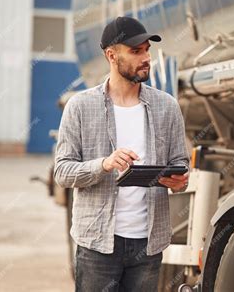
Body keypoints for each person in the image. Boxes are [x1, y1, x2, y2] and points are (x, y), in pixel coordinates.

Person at [54, 16, 189, 291]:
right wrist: (104, 164)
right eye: (136, 51)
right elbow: (62, 172)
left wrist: (179, 181)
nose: (146, 58)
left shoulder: (167, 106)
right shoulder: (80, 107)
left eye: (147, 50)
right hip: (97, 244)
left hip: (148, 246)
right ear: (112, 55)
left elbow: (180, 164)